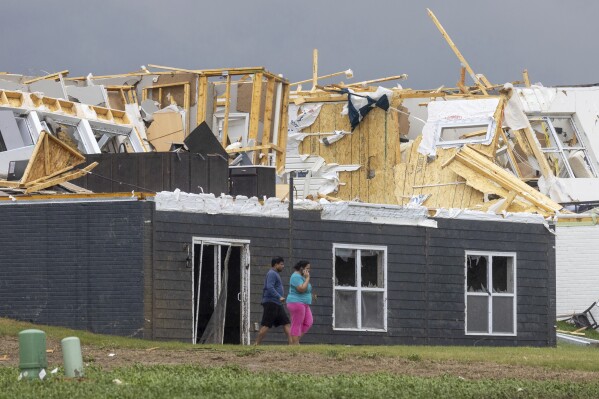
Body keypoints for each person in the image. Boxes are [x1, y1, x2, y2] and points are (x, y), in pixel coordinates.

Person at [255, 257, 292, 345]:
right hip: (271, 302)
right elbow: (269, 287)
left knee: (286, 323)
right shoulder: (272, 273)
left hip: (277, 304)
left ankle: (292, 344)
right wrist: (279, 297)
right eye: (281, 264)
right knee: (266, 325)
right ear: (276, 264)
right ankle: (256, 344)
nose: (283, 266)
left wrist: (279, 299)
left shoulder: (275, 274)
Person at [286, 260, 313, 345]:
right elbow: (301, 289)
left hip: (304, 303)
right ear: (301, 268)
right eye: (307, 268)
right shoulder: (295, 276)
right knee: (297, 324)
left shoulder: (302, 277)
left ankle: (294, 342)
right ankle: (295, 344)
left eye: (309, 269)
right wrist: (308, 278)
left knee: (309, 321)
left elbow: (306, 289)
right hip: (296, 302)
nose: (309, 271)